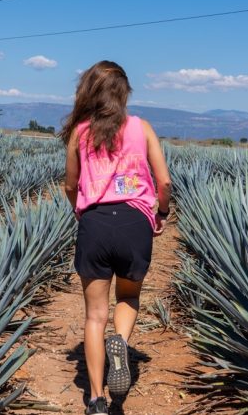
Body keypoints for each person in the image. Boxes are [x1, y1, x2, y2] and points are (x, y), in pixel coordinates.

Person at [61, 60, 171, 415]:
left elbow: (70, 185)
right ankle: (120, 343)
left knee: (95, 316)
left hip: (94, 223)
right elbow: (165, 183)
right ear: (124, 94)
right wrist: (162, 212)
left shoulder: (81, 132)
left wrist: (82, 212)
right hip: (134, 223)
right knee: (129, 295)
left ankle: (96, 400)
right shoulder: (143, 128)